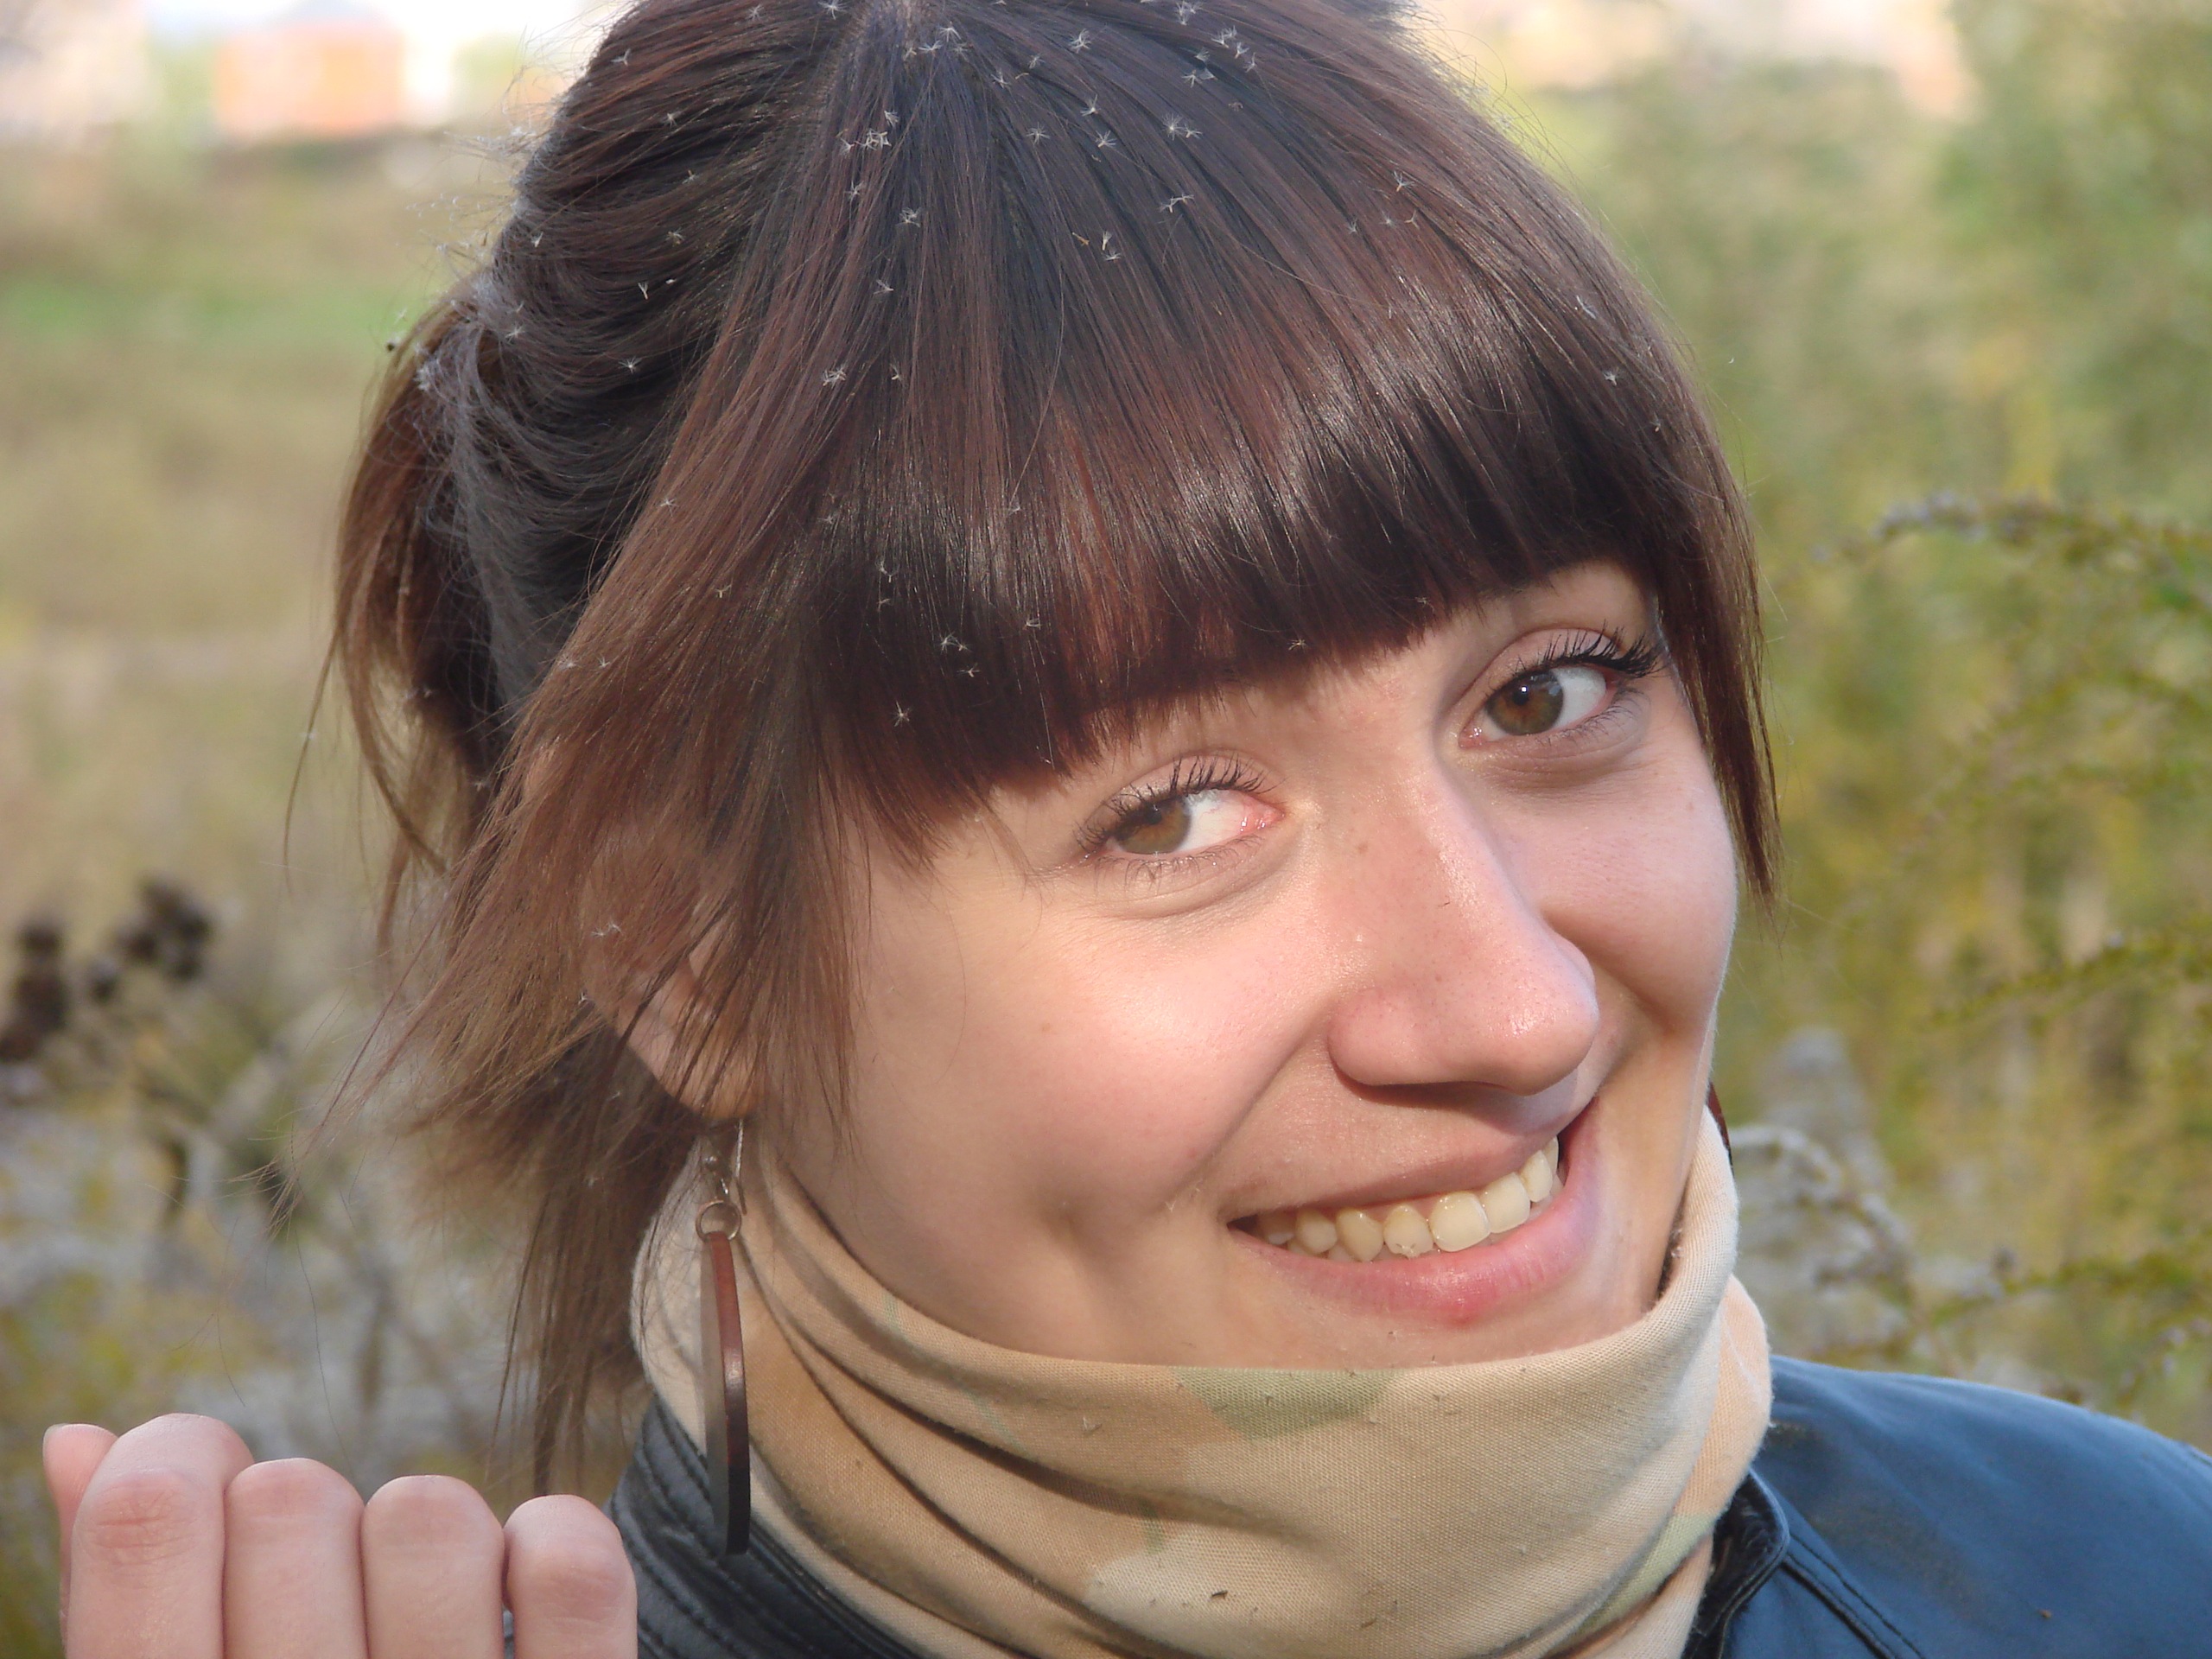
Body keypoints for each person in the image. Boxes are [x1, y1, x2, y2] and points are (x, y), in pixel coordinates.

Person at [41, 1, 2212, 1654]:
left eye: (1543, 695)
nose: (1514, 1004)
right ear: (688, 955)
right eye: (1172, 811)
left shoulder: (2122, 1587)